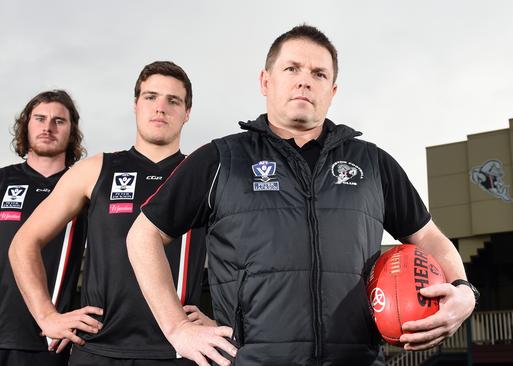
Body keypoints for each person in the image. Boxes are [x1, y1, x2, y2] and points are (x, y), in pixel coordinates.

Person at [127, 25, 477, 366]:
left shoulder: (372, 164)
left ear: (333, 90)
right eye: (292, 68)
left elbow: (429, 235)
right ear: (266, 81)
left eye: (319, 74)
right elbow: (143, 235)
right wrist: (177, 328)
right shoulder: (221, 159)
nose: (305, 80)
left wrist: (464, 291)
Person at [9, 62, 211, 365]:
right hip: (99, 350)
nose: (160, 108)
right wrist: (46, 316)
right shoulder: (96, 169)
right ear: (135, 105)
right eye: (150, 97)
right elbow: (24, 242)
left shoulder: (203, 174)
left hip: (181, 351)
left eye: (173, 100)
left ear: (187, 112)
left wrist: (220, 318)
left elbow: (250, 253)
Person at [0, 90, 87, 366]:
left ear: (72, 131)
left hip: (51, 340)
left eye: (59, 121)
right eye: (40, 119)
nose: (48, 127)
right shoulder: (3, 181)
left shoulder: (85, 188)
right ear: (26, 125)